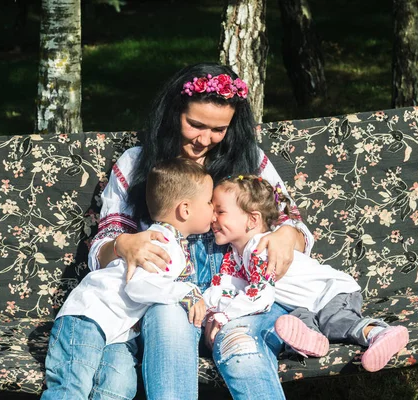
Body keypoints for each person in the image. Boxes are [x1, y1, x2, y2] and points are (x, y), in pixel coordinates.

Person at [88, 63, 314, 399]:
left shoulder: (250, 161)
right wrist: (124, 244)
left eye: (218, 129)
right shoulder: (137, 164)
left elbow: (296, 227)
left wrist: (284, 235)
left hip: (238, 299)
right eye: (195, 124)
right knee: (168, 323)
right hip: (169, 300)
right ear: (173, 112)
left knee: (243, 351)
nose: (204, 139)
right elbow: (102, 250)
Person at [42, 158, 215, 400]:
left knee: (118, 389)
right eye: (208, 202)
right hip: (90, 317)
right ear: (185, 209)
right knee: (72, 387)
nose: (213, 208)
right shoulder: (161, 243)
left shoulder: (171, 242)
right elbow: (138, 286)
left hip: (120, 332)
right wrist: (186, 292)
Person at [204, 175, 409, 373]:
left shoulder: (261, 248)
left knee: (334, 321)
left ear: (252, 219)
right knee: (295, 324)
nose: (212, 218)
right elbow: (228, 286)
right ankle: (313, 341)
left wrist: (226, 315)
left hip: (331, 292)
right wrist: (205, 307)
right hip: (302, 305)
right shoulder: (237, 255)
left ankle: (380, 333)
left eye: (220, 212)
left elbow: (260, 296)